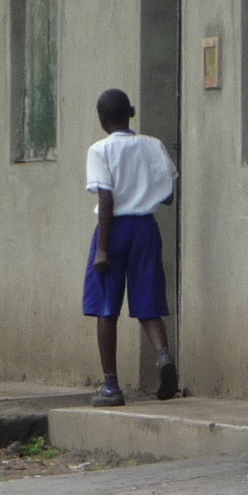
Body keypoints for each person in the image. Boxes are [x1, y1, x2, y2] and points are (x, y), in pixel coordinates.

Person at [82, 88, 179, 406]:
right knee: (148, 301)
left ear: (102, 119)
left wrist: (102, 248)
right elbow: (168, 195)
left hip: (115, 229)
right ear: (130, 114)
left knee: (106, 308)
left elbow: (106, 198)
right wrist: (143, 189)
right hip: (146, 229)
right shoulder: (153, 145)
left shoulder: (100, 151)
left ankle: (111, 387)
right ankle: (163, 357)